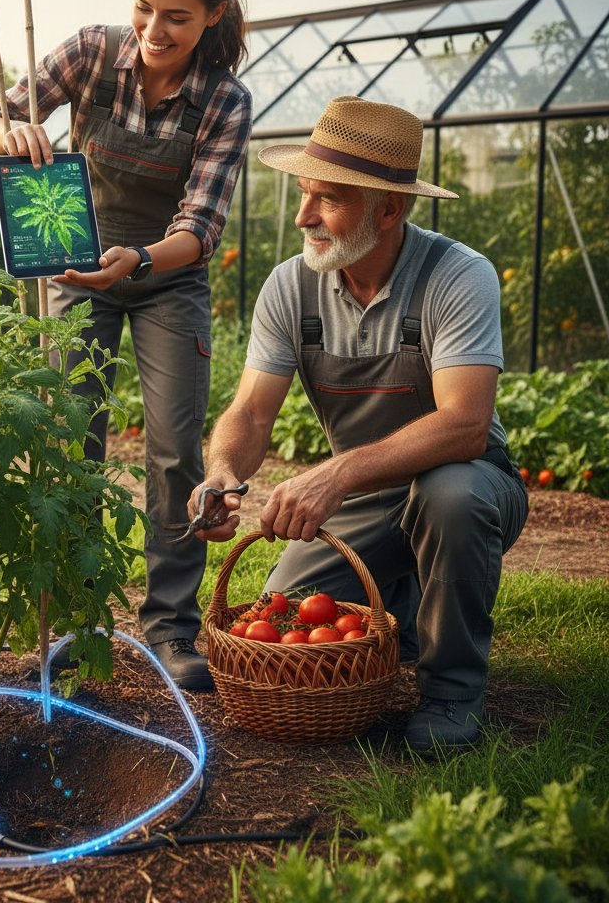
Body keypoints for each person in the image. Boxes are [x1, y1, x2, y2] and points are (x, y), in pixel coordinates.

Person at [0, 0, 252, 690]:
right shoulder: (92, 51)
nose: (154, 31)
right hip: (75, 259)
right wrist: (11, 131)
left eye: (177, 18)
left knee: (172, 453)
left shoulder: (224, 99)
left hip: (167, 273)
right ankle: (80, 622)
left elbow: (201, 225)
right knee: (71, 439)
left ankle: (169, 629)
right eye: (144, 9)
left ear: (215, 15)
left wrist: (143, 259)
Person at [189, 95, 529, 748]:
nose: (302, 215)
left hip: (471, 483)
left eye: (328, 200)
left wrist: (335, 474)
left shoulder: (457, 276)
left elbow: (465, 425)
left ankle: (452, 694)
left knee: (448, 497)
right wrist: (223, 472)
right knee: (284, 613)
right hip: (366, 502)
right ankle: (409, 608)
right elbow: (252, 412)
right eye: (304, 193)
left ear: (390, 209)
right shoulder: (292, 287)